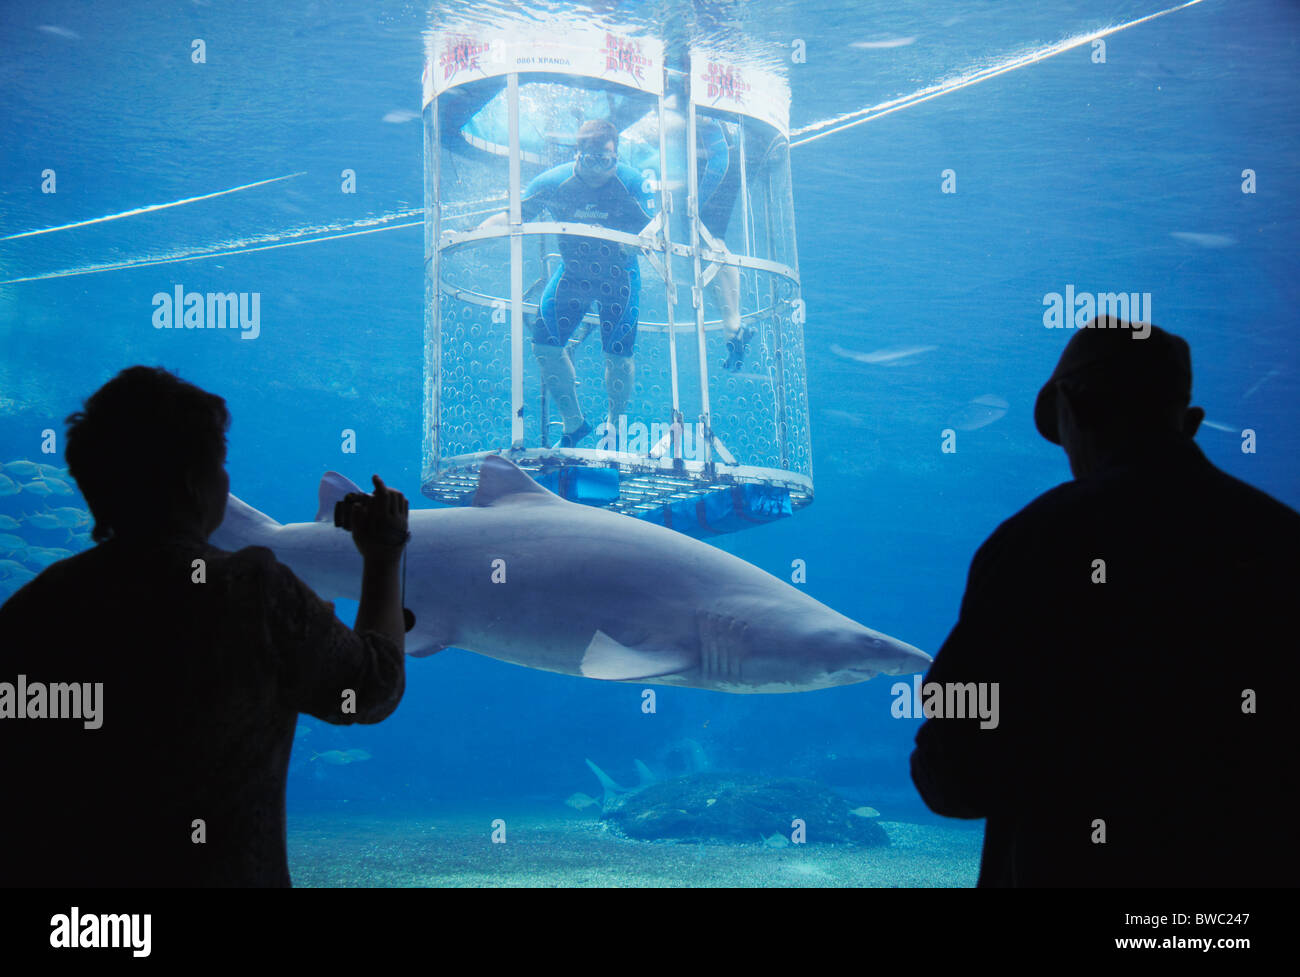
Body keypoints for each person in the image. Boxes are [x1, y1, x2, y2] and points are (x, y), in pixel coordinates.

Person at [910, 316, 1299, 886]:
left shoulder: (1038, 540)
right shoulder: (1282, 539)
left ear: (1073, 409)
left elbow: (958, 772)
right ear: (1191, 422)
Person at [0, 366, 410, 886]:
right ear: (197, 485)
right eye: (221, 464)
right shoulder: (251, 591)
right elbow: (373, 688)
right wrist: (382, 556)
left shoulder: (34, 610)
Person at [481, 118, 655, 448]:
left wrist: (642, 239)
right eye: (591, 159)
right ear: (578, 154)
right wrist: (473, 233)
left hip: (620, 278)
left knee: (618, 356)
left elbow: (657, 226)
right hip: (573, 274)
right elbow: (511, 217)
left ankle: (613, 427)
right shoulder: (552, 182)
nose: (599, 169)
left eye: (608, 161)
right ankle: (574, 424)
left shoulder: (632, 182)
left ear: (616, 156)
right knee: (544, 345)